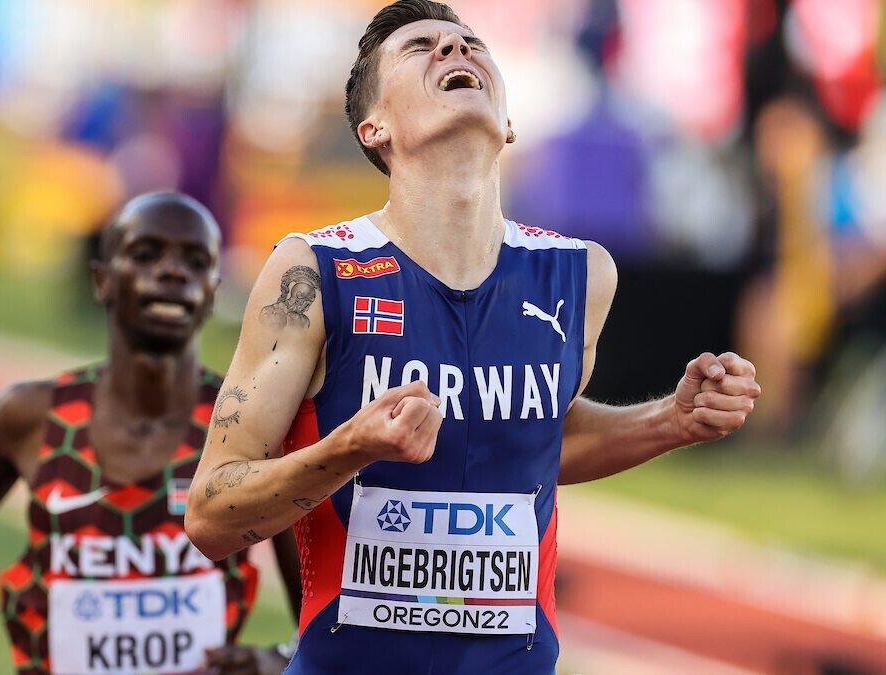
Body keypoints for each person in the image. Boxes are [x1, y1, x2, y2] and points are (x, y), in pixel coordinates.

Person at [184, 2, 761, 673]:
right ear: (374, 128)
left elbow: (536, 439)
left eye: (470, 43)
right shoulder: (314, 272)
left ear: (508, 123)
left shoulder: (580, 275)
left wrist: (669, 420)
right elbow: (212, 517)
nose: (455, 50)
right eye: (420, 47)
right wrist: (349, 448)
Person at [0, 192, 301, 675]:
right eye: (145, 254)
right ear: (102, 280)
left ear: (213, 291)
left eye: (196, 261)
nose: (173, 272)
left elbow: (314, 583)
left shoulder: (248, 428)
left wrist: (282, 657)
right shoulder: (32, 417)